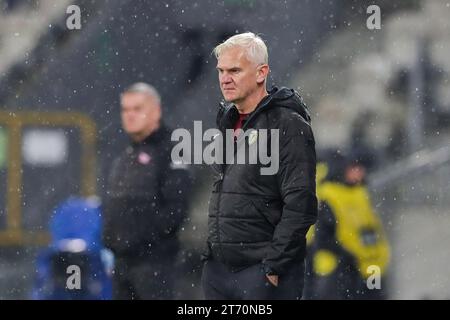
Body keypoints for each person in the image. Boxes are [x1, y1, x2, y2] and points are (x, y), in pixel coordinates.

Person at [201, 32, 318, 300]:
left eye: (234, 70)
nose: (224, 78)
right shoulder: (228, 121)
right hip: (220, 272)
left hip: (261, 272)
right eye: (221, 71)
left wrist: (274, 264)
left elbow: (301, 203)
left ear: (260, 73)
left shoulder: (287, 124)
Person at [102, 83, 191, 299]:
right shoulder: (126, 153)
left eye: (137, 108)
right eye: (125, 109)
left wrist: (142, 241)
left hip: (153, 264)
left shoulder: (173, 149)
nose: (130, 115)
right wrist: (113, 241)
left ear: (156, 111)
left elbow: (176, 209)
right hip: (122, 263)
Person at [304, 149, 390, 299]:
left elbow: (371, 228)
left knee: (374, 294)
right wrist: (348, 256)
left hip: (369, 264)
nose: (359, 172)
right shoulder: (332, 196)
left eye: (361, 168)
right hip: (343, 267)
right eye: (354, 168)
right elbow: (324, 237)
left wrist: (379, 254)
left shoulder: (360, 194)